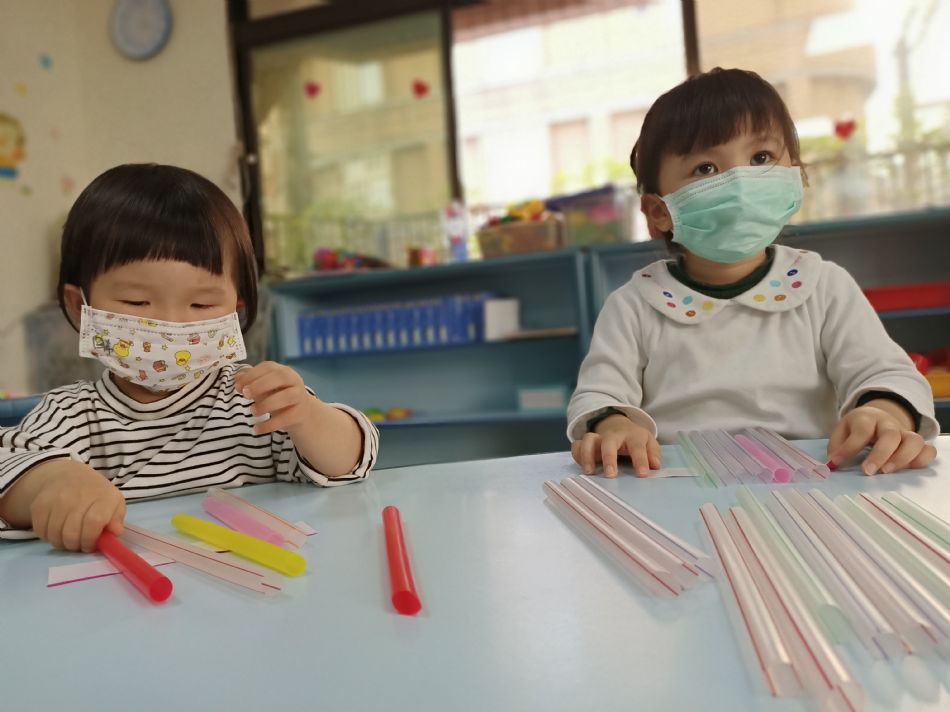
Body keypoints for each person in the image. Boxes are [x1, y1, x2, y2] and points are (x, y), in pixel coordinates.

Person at [568, 68, 937, 479]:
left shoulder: (824, 286)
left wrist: (883, 412)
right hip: (676, 483)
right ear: (658, 211)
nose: (740, 183)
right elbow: (599, 394)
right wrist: (614, 426)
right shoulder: (635, 305)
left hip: (810, 484)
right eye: (705, 168)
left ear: (796, 176)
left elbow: (887, 373)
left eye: (761, 158)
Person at [0, 164, 378, 549]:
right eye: (137, 301)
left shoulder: (252, 402)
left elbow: (350, 463)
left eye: (201, 304)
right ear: (80, 307)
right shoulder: (72, 417)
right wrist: (50, 480)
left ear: (235, 310)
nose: (171, 324)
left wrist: (308, 416)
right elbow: (7, 473)